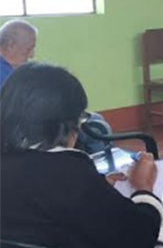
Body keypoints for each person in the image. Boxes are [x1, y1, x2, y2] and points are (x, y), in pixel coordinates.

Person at [0, 62, 163, 248]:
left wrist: (97, 187)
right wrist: (144, 188)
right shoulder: (66, 172)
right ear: (63, 124)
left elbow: (39, 204)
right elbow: (138, 239)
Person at [0, 18, 112, 154]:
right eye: (29, 49)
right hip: (28, 128)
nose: (32, 55)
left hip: (26, 126)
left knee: (92, 120)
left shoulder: (15, 69)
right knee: (96, 125)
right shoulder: (8, 75)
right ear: (11, 45)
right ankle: (94, 165)